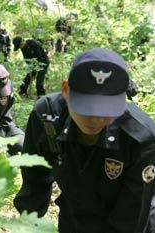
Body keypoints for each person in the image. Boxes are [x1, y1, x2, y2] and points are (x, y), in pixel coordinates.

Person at [14, 48, 155, 233]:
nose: (96, 119)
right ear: (66, 91)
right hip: (74, 217)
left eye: (107, 110)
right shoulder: (47, 118)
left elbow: (132, 216)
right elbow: (34, 186)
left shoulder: (140, 138)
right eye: (86, 108)